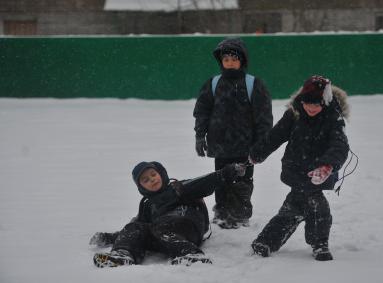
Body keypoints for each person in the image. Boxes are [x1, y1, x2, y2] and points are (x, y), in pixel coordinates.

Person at [249, 75, 350, 261]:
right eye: (307, 103)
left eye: (316, 104)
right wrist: (258, 153)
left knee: (312, 203)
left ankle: (317, 243)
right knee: (296, 206)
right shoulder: (293, 114)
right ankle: (310, 242)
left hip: (319, 172)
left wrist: (328, 165)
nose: (311, 108)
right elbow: (275, 136)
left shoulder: (333, 118)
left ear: (325, 102)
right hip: (295, 168)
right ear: (301, 100)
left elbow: (340, 145)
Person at [90, 160, 246, 267]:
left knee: (161, 227)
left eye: (153, 174)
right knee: (136, 226)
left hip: (189, 228)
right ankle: (122, 255)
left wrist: (228, 172)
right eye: (145, 180)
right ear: (141, 187)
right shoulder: (147, 205)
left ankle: (191, 254)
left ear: (161, 173)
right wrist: (109, 238)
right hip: (163, 234)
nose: (151, 179)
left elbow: (206, 181)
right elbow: (136, 228)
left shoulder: (179, 187)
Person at [193, 37, 273, 229]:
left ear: (242, 61)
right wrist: (199, 135)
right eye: (226, 59)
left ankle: (240, 215)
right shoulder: (212, 83)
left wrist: (261, 143)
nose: (229, 63)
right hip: (220, 146)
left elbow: (264, 117)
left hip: (246, 147)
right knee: (221, 179)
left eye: (234, 59)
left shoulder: (253, 84)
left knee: (242, 182)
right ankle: (221, 214)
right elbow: (202, 112)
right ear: (221, 61)